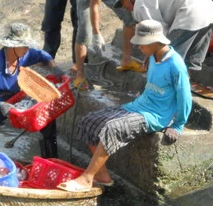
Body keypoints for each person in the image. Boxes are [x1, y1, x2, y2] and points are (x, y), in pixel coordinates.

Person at [57, 20, 192, 192]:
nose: (140, 48)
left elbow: (185, 97)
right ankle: (102, 175)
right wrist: (148, 56)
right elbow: (152, 62)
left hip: (155, 115)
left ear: (155, 42)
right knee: (90, 121)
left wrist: (178, 125)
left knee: (113, 128)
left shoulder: (176, 65)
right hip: (138, 105)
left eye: (143, 45)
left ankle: (87, 178)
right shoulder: (153, 56)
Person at [111, 0, 213, 98]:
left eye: (123, 2)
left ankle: (164, 91)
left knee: (167, 55)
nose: (124, 7)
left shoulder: (140, 1)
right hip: (208, 9)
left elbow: (157, 32)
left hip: (190, 11)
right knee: (191, 55)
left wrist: (152, 55)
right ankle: (184, 80)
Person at [0, 23, 64, 157]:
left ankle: (51, 161)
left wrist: (54, 66)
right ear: (12, 46)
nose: (28, 49)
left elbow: (41, 54)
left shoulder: (24, 55)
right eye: (24, 46)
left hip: (13, 104)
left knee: (47, 121)